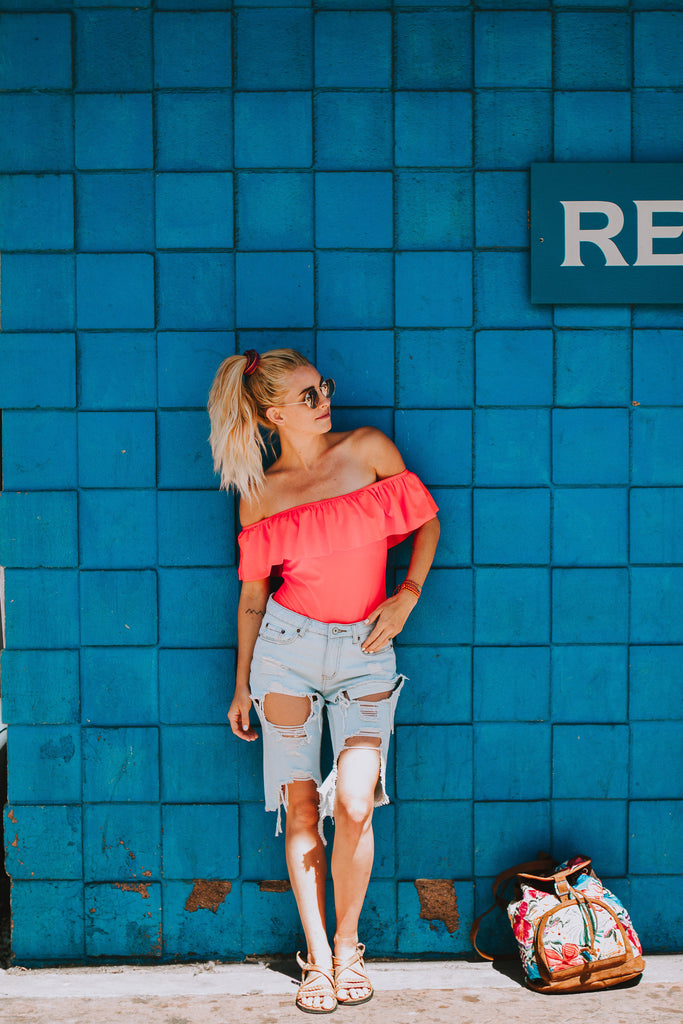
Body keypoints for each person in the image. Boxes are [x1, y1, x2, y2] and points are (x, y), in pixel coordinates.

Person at [208, 348, 440, 1014]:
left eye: (323, 388)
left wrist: (407, 596)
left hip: (367, 648)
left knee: (356, 804)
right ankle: (317, 959)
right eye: (308, 396)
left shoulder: (366, 449)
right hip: (285, 652)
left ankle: (349, 946)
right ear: (273, 412)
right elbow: (253, 597)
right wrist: (239, 684)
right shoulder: (260, 491)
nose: (324, 401)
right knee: (301, 807)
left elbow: (425, 521)